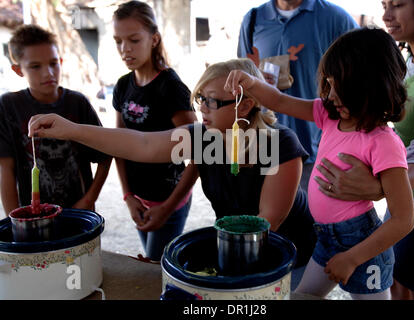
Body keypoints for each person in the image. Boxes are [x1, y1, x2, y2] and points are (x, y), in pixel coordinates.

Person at [27, 58, 317, 291]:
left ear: (247, 104)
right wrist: (72, 130)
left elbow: (267, 223)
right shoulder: (206, 137)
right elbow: (143, 144)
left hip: (290, 254)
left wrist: (209, 277)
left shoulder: (279, 144)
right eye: (200, 98)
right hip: (236, 246)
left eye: (213, 101)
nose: (202, 108)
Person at [226, 27, 414, 299]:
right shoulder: (330, 116)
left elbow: (403, 219)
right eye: (328, 84)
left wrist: (352, 258)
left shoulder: (384, 142)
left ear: (371, 86)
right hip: (325, 238)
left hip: (363, 246)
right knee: (304, 295)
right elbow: (279, 100)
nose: (331, 95)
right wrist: (252, 83)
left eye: (340, 87)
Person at [314, 0, 414, 300]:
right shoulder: (408, 60)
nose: (387, 15)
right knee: (398, 285)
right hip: (399, 204)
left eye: (398, 4)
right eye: (384, 4)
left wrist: (381, 187)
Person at [237, 0, 359, 191]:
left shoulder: (336, 18)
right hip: (263, 147)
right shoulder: (253, 19)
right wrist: (256, 78)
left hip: (316, 152)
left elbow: (364, 74)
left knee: (310, 217)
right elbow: (241, 74)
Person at [111, 1, 197, 262]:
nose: (125, 49)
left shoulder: (171, 88)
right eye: (118, 41)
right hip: (138, 199)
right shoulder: (123, 85)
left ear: (154, 39)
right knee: (151, 264)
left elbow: (202, 151)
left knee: (155, 268)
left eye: (134, 40)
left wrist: (168, 208)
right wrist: (128, 196)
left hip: (169, 200)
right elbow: (119, 144)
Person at [0, 25, 111, 216]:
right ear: (18, 70)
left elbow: (105, 154)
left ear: (60, 61)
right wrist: (15, 219)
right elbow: (5, 168)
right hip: (32, 216)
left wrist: (89, 199)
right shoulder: (9, 106)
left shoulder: (77, 103)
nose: (48, 73)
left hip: (78, 213)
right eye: (35, 66)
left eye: (53, 63)